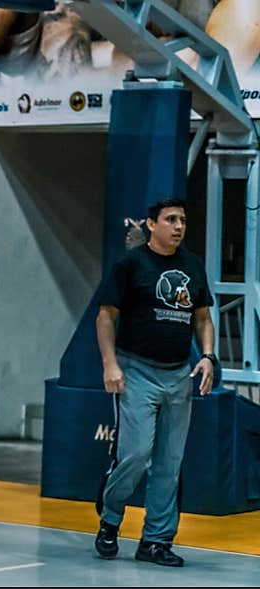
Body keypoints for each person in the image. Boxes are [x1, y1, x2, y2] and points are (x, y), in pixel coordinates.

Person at [94, 198, 216, 567]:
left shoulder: (193, 266)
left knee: (169, 461)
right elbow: (104, 317)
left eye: (183, 220)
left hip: (179, 373)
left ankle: (156, 541)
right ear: (151, 224)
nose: (179, 226)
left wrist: (208, 356)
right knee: (135, 455)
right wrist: (110, 365)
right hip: (137, 371)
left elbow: (204, 319)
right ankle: (111, 518)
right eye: (171, 220)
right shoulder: (131, 265)